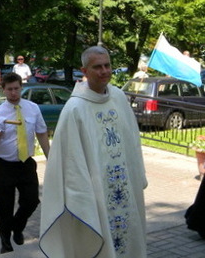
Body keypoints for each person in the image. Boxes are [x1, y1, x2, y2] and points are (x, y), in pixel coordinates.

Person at [39, 46, 148, 258]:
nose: (104, 71)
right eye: (97, 67)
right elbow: (70, 162)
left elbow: (132, 141)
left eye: (107, 65)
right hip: (97, 193)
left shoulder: (117, 97)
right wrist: (82, 198)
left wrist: (137, 174)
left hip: (124, 186)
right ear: (84, 71)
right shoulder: (75, 109)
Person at [0, 72, 50, 254]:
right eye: (9, 89)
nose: (13, 93)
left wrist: (49, 157)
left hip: (25, 163)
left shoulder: (33, 108)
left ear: (21, 88)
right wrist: (0, 129)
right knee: (5, 206)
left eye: (16, 88)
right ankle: (5, 241)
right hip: (2, 165)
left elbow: (42, 133)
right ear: (3, 90)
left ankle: (17, 226)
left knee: (31, 201)